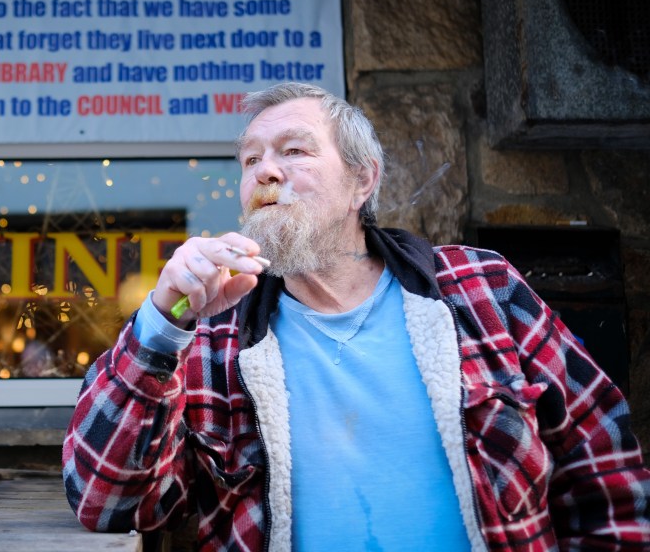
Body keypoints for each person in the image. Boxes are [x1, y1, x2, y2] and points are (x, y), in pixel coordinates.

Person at [62, 82, 650, 551]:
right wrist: (162, 324)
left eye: (293, 151)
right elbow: (107, 503)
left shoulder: (481, 289)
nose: (263, 172)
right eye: (249, 160)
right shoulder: (211, 338)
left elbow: (602, 458)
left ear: (361, 180)